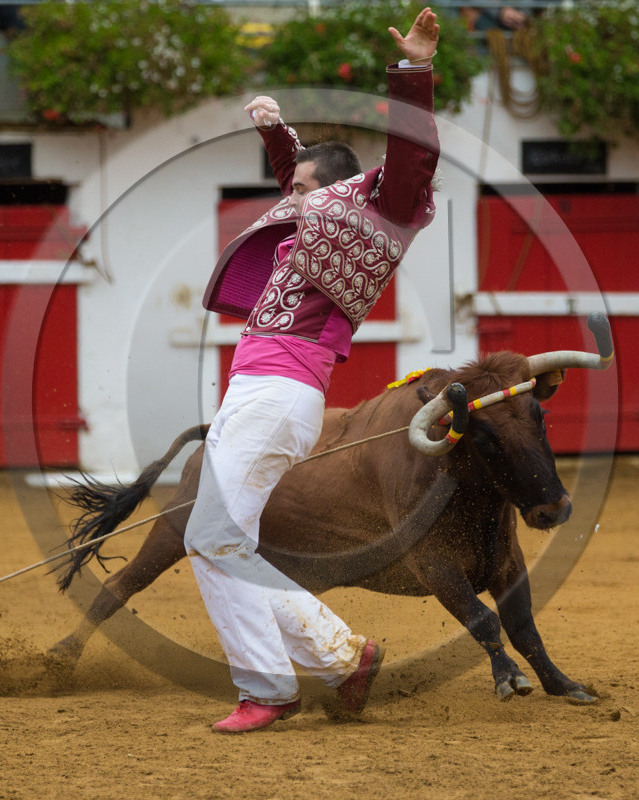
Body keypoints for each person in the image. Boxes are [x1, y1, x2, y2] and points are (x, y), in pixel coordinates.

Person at [192, 8, 441, 734]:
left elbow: (410, 163)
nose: (290, 197)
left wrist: (414, 74)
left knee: (211, 538)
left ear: (340, 191)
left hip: (278, 394)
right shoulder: (310, 221)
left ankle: (269, 687)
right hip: (258, 394)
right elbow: (300, 181)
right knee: (221, 540)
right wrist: (277, 137)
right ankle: (341, 658)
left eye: (303, 188)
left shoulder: (371, 215)